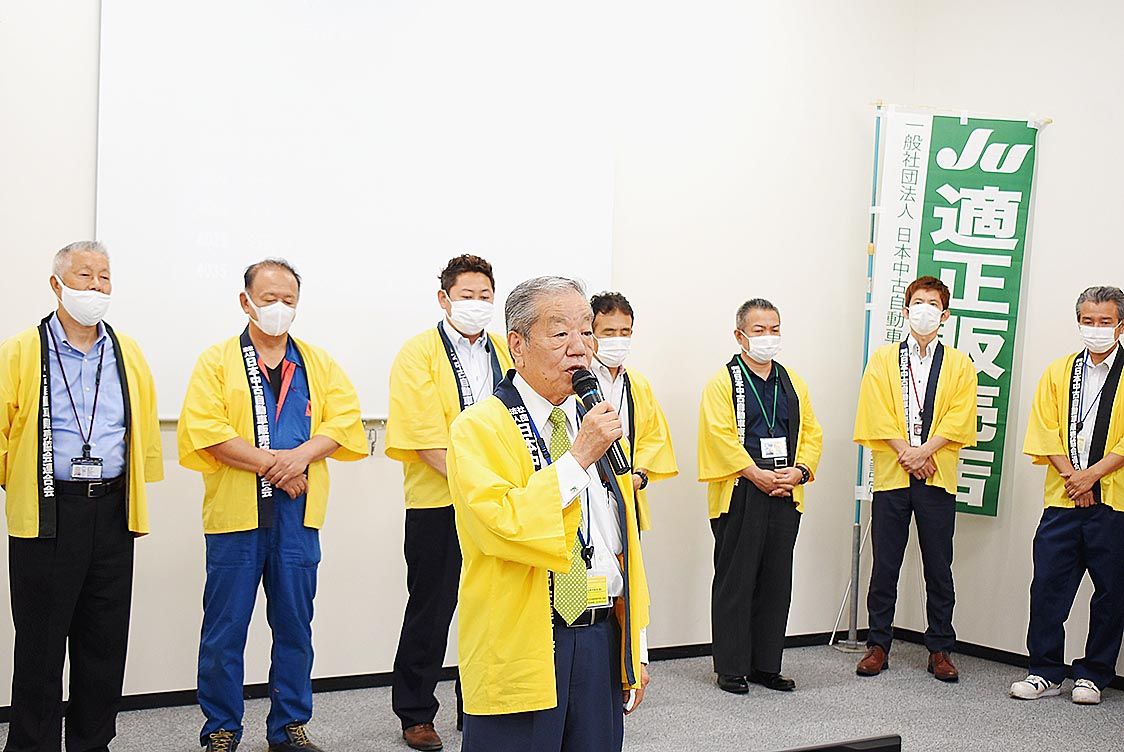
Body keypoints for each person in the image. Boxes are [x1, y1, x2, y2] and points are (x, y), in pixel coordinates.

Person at [447, 276, 651, 752]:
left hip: (600, 636)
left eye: (586, 332)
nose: (580, 348)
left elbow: (619, 541)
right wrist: (577, 460)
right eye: (560, 333)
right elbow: (502, 523)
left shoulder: (594, 422)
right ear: (517, 345)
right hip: (523, 639)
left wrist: (634, 645)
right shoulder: (479, 426)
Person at [177, 259, 366, 752]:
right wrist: (276, 466)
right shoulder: (217, 361)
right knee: (224, 628)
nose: (279, 307)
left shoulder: (317, 363)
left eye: (288, 300)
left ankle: (289, 726)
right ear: (246, 302)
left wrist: (300, 456)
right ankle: (221, 727)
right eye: (268, 299)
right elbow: (206, 430)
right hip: (235, 516)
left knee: (295, 626)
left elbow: (344, 422)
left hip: (297, 518)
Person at [0, 241, 163, 752]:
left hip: (112, 509)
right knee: (42, 644)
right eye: (85, 276)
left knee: (104, 642)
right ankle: (32, 745)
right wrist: (21, 483)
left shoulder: (127, 351)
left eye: (104, 277)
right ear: (57, 285)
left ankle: (93, 743)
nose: (96, 286)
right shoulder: (21, 350)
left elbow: (140, 427)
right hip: (50, 508)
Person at [385, 254, 513, 751]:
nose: (477, 304)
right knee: (431, 608)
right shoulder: (418, 353)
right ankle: (416, 713)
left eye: (485, 296)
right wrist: (477, 482)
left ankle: (478, 703)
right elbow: (423, 440)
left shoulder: (506, 350)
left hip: (498, 501)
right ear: (444, 299)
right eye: (467, 296)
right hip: (438, 501)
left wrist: (497, 487)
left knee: (493, 607)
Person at [853, 275, 978, 682]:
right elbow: (874, 410)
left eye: (933, 304)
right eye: (918, 302)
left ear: (945, 315)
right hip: (893, 474)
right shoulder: (883, 359)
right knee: (884, 565)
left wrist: (924, 452)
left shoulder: (959, 364)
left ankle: (940, 648)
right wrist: (907, 452)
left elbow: (960, 417)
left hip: (936, 475)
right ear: (906, 310)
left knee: (939, 566)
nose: (925, 310)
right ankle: (878, 644)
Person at [697, 298, 822, 694]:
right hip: (741, 492)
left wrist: (799, 472)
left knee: (776, 582)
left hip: (785, 491)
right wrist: (755, 474)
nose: (768, 337)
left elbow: (811, 433)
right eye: (759, 330)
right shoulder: (723, 382)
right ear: (740, 336)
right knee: (736, 580)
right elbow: (718, 436)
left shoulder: (792, 382)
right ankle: (732, 667)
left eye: (774, 329)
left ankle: (767, 665)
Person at [1011, 285, 1124, 706]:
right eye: (1088, 320)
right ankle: (1044, 671)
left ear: (1120, 325)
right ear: (1078, 322)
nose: (1096, 328)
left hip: (1114, 504)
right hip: (1063, 499)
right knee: (1047, 587)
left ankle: (1093, 674)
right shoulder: (1059, 371)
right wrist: (1073, 478)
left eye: (1105, 321)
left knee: (1111, 592)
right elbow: (1044, 430)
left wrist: (1092, 476)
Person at [589, 291, 678, 530]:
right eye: (609, 333)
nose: (617, 340)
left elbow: (653, 437)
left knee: (627, 551)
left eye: (624, 332)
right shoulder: (577, 381)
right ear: (590, 334)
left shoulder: (637, 383)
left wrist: (639, 475)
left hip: (628, 488)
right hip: (586, 491)